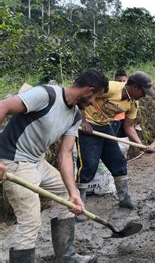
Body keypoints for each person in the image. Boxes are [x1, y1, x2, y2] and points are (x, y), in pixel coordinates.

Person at [0, 68, 108, 262]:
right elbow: (3, 106)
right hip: (14, 161)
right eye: (95, 98)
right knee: (30, 221)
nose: (93, 103)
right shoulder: (46, 94)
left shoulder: (75, 115)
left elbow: (65, 155)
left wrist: (74, 193)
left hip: (37, 161)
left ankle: (66, 256)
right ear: (88, 90)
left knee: (67, 195)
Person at [77, 71, 155, 212]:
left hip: (105, 127)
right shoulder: (111, 88)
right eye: (143, 92)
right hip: (88, 128)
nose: (144, 96)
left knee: (118, 162)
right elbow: (82, 97)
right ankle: (79, 205)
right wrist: (82, 121)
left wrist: (141, 145)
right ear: (136, 87)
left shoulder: (133, 104)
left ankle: (124, 198)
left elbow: (129, 127)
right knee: (89, 165)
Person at [111, 68, 128, 137]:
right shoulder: (111, 92)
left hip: (124, 120)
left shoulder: (129, 92)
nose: (122, 83)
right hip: (114, 120)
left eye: (124, 81)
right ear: (115, 80)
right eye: (119, 81)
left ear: (127, 80)